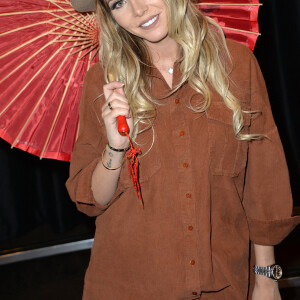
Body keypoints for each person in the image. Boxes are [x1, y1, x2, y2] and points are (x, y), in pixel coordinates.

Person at [66, 0, 300, 299]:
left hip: (224, 283)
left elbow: (262, 182)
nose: (138, 10)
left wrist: (266, 280)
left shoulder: (237, 65)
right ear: (110, 17)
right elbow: (91, 200)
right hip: (128, 285)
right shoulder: (104, 84)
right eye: (118, 2)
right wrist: (115, 145)